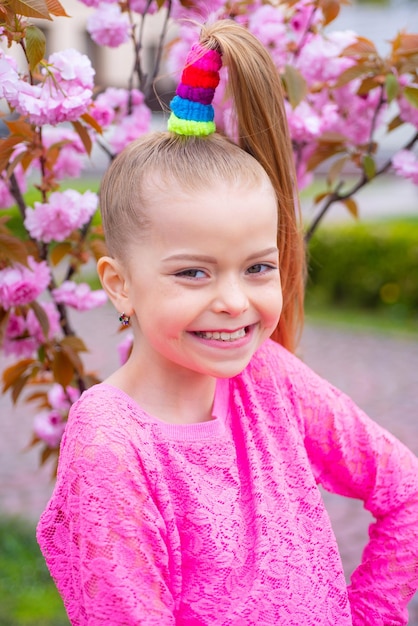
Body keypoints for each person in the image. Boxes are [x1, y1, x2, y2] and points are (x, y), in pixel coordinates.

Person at [37, 19, 418, 626]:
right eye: (193, 273)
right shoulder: (113, 443)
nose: (235, 302)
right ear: (119, 284)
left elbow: (405, 491)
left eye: (258, 267)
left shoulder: (268, 378)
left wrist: (370, 613)